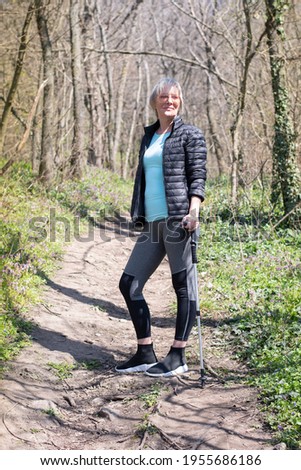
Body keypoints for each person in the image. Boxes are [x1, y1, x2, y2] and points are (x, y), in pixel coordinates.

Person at [116, 77, 207, 377]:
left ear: (180, 102)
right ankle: (145, 351)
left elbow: (198, 178)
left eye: (174, 97)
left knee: (183, 286)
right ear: (154, 102)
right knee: (129, 284)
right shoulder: (149, 136)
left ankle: (178, 355)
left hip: (178, 220)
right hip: (152, 223)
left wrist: (194, 211)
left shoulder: (190, 135)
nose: (169, 101)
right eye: (164, 97)